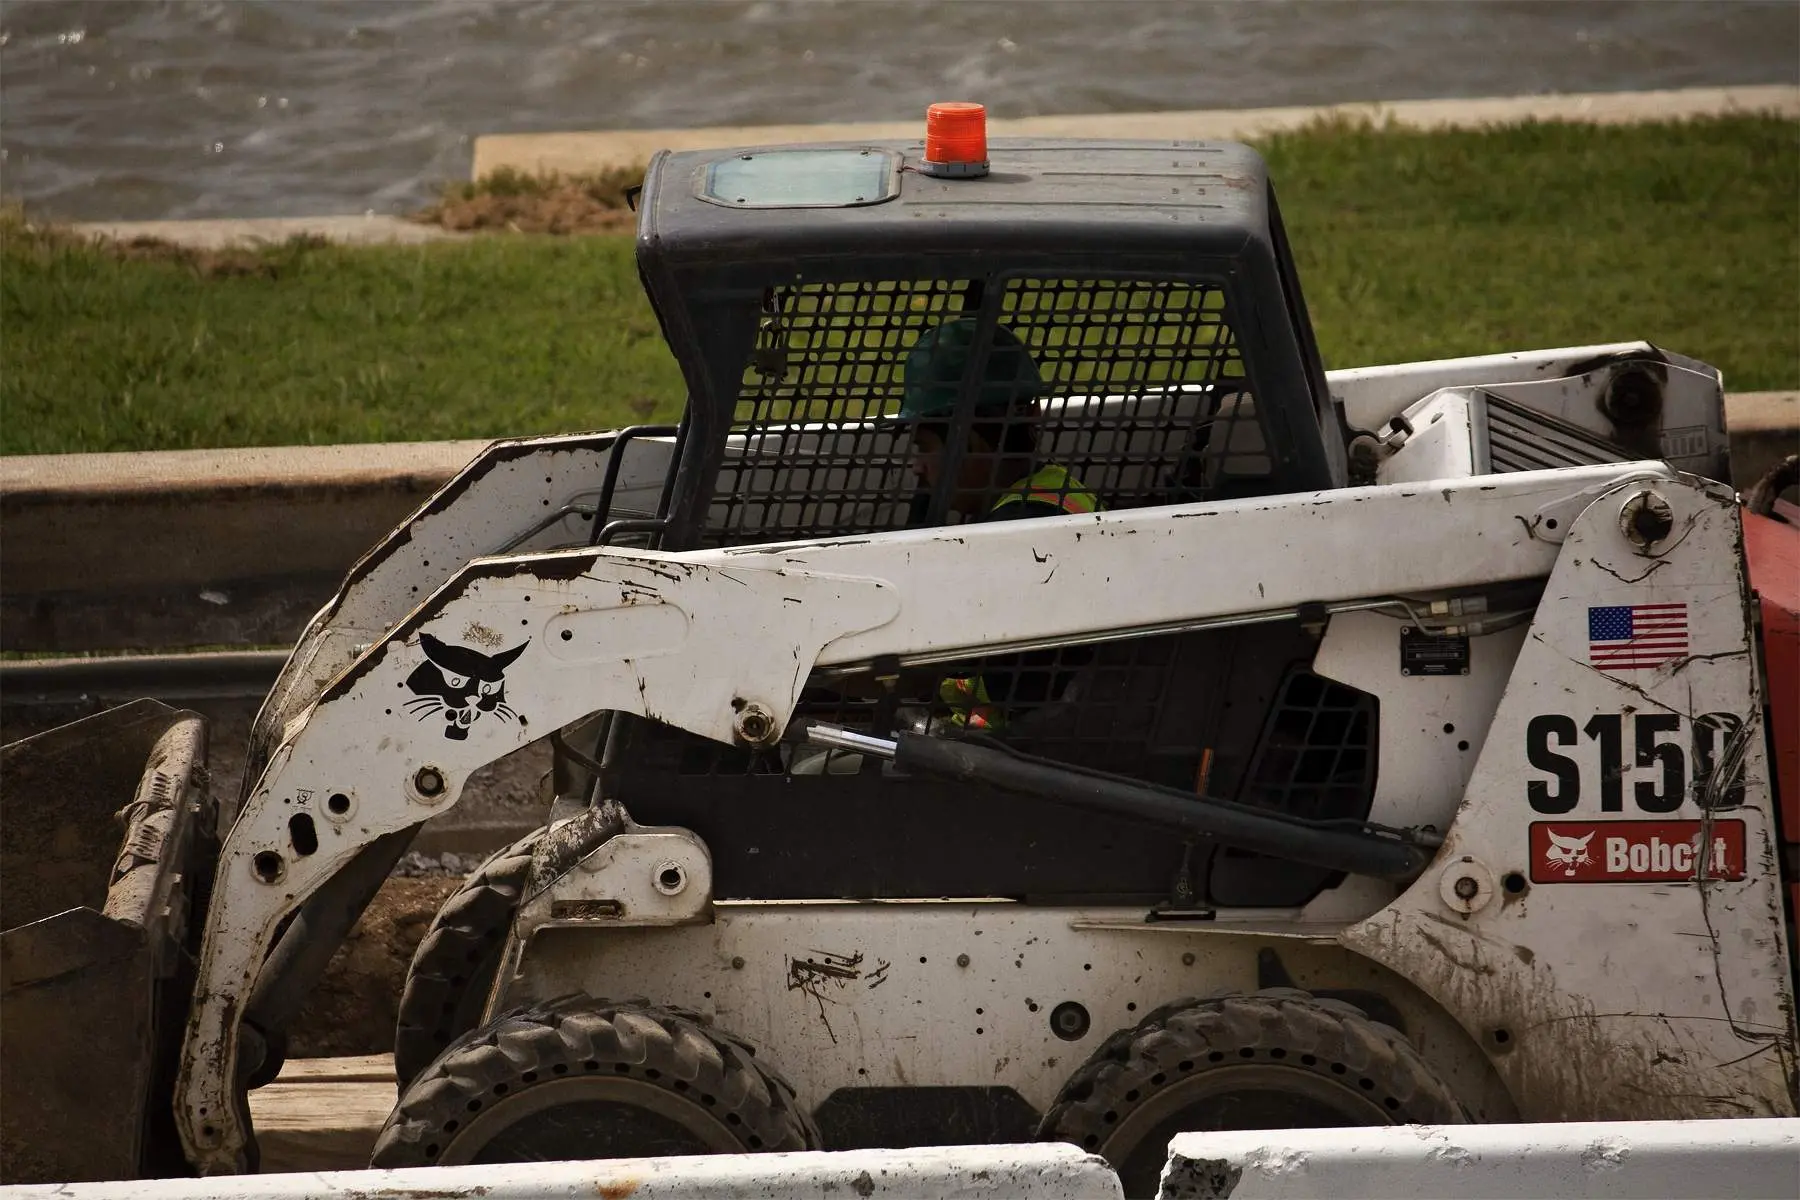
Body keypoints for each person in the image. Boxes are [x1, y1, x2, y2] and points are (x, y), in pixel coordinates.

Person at [896, 317, 1103, 730]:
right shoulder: (1055, 494)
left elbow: (939, 664)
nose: (917, 466)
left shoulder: (1015, 533)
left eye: (924, 447)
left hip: (1001, 753)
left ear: (966, 441)